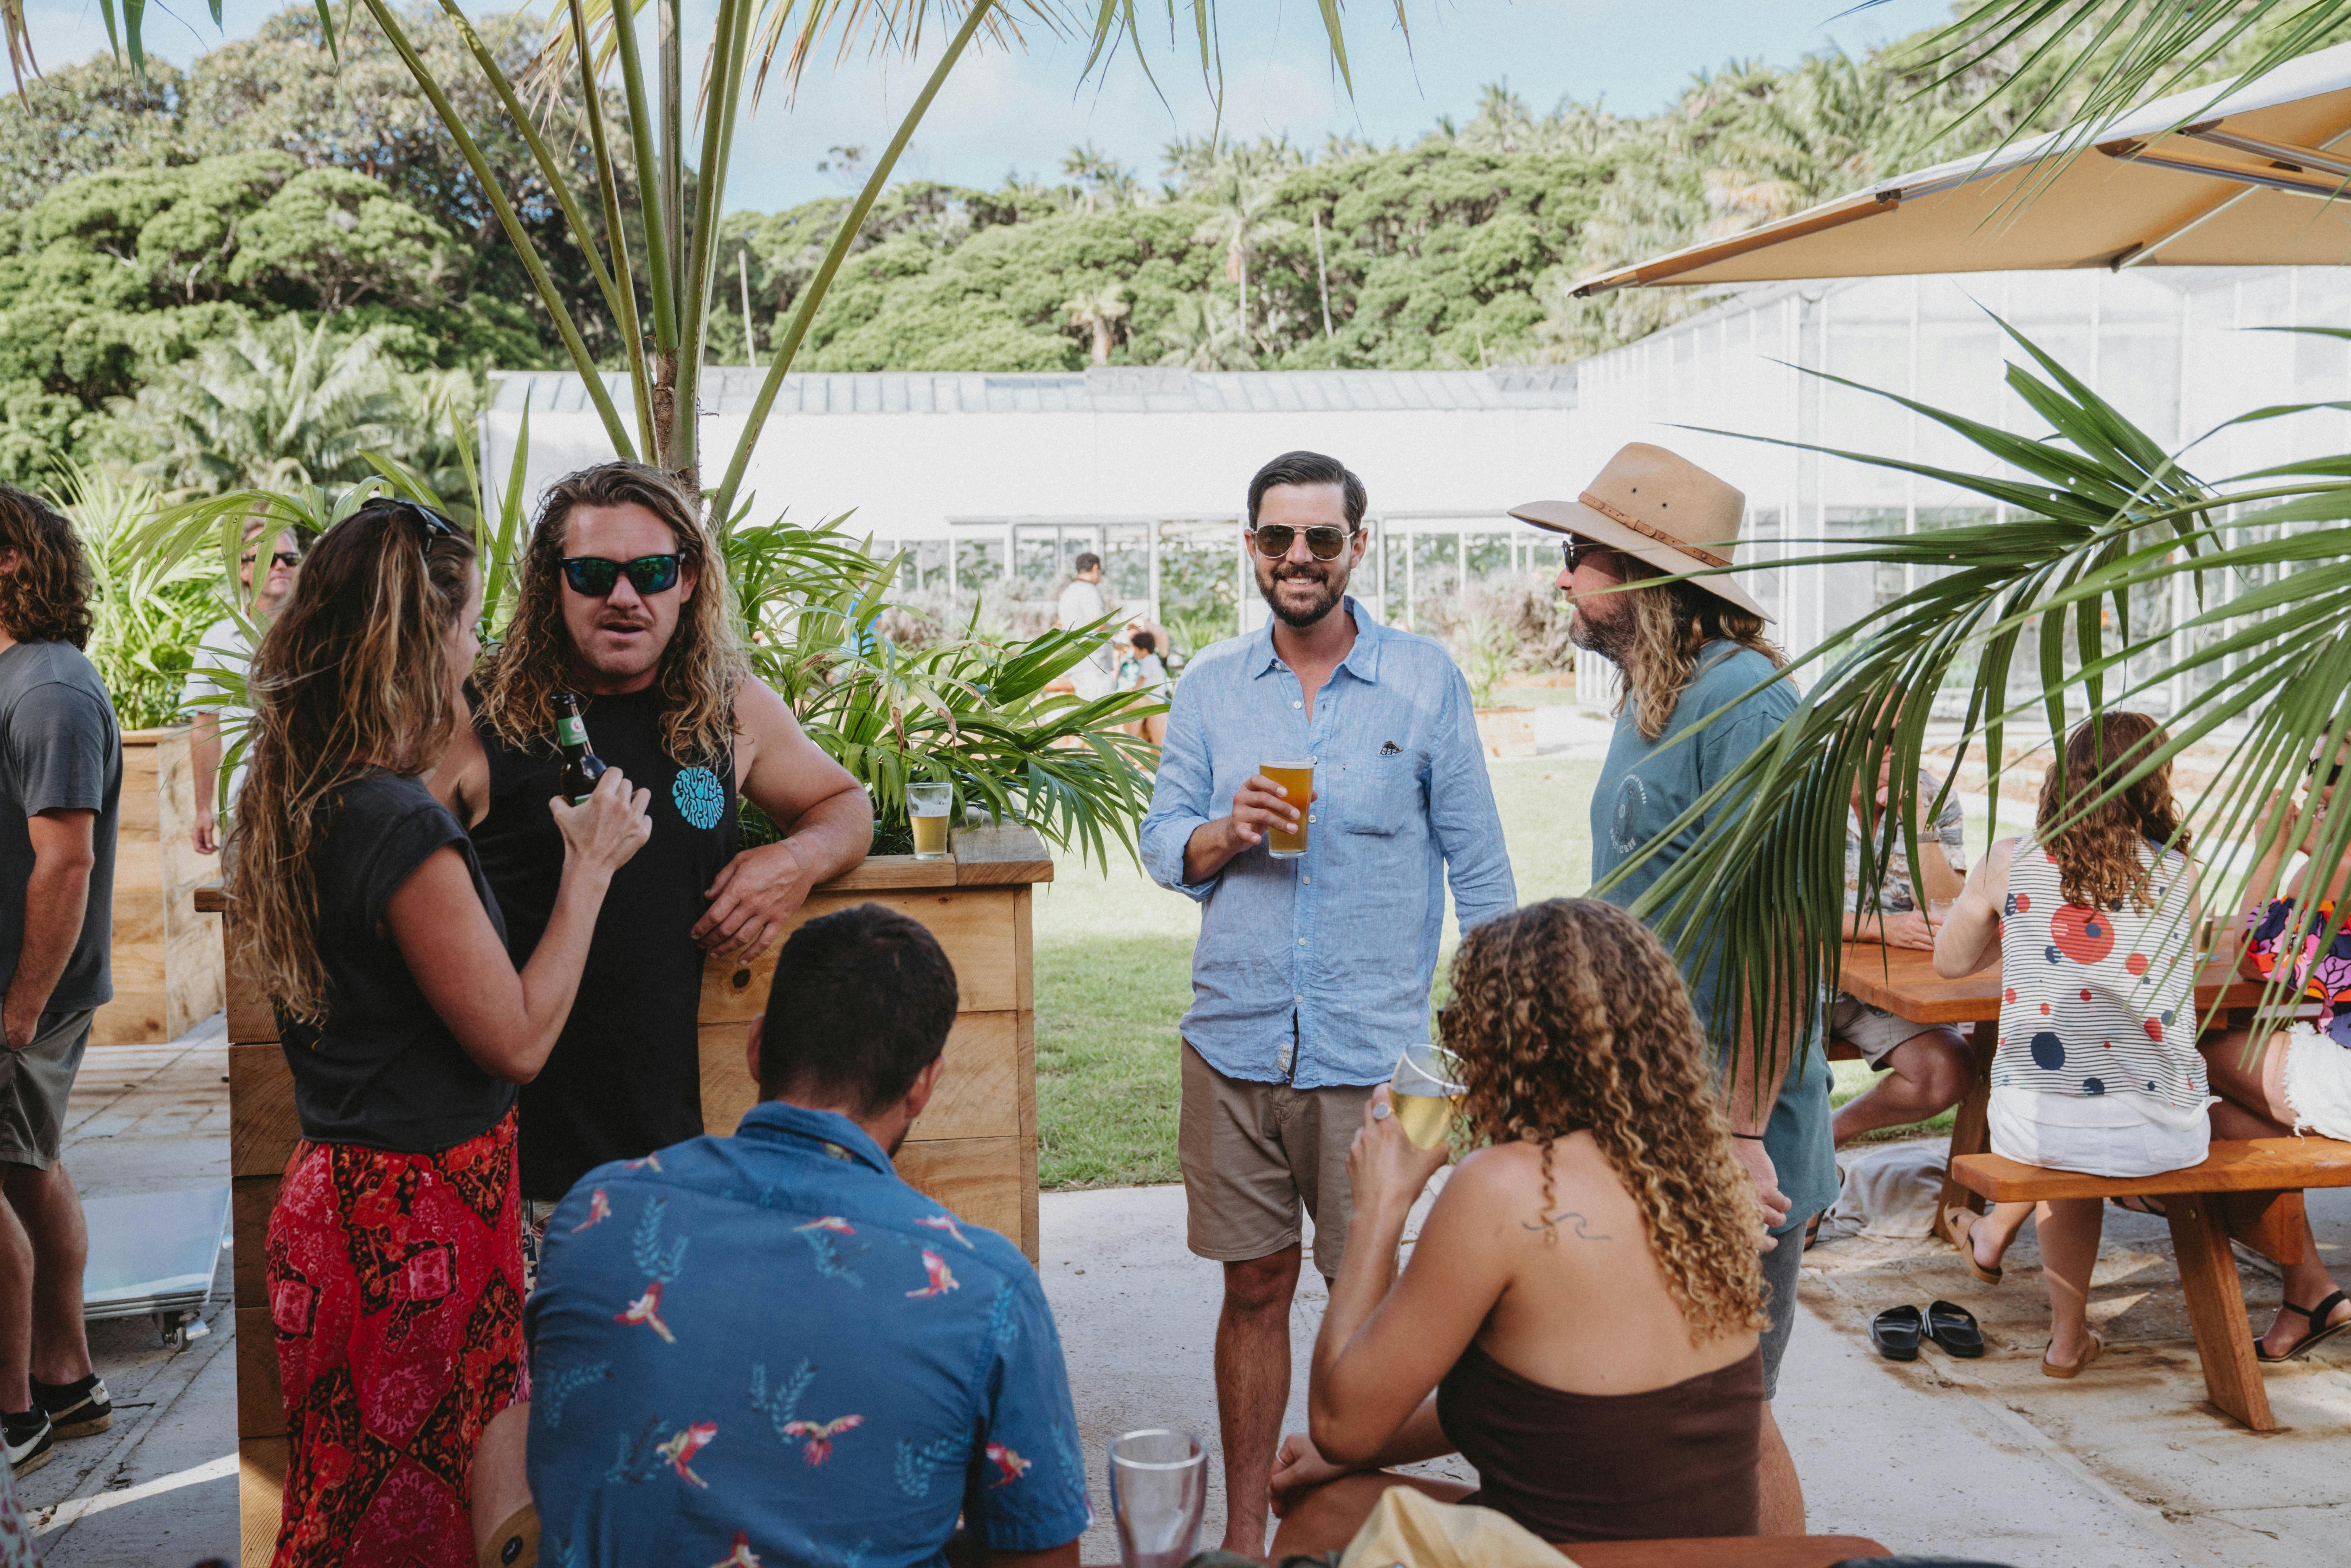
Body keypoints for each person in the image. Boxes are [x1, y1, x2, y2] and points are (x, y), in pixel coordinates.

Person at [239, 501, 652, 1566]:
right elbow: (514, 1041)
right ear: (423, 639)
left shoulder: (305, 788)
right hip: (409, 1227)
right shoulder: (394, 822)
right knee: (401, 1534)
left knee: (363, 1510)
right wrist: (592, 867)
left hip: (357, 1197)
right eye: (467, 626)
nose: (477, 650)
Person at [1140, 449, 1516, 1557]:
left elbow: (1483, 872)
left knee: (1384, 1303)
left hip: (1383, 1056)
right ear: (1248, 546)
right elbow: (1163, 842)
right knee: (1250, 1286)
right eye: (1275, 538)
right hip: (1234, 1039)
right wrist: (1217, 834)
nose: (1296, 558)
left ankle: (1339, 1521)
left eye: (1318, 538)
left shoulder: (1424, 680)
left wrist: (1495, 1046)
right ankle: (1253, 1534)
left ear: (1358, 544)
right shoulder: (1207, 684)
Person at [523, 903, 1092, 1568]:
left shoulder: (592, 1212)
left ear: (758, 1045)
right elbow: (1043, 1554)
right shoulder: (986, 1286)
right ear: (922, 1087)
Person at [1510, 442, 1833, 1533]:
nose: (1561, 578)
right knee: (1671, 1416)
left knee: (1730, 1420)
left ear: (1648, 578)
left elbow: (1788, 941)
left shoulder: (1742, 701)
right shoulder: (1653, 694)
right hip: (1648, 1121)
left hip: (1730, 1140)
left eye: (1579, 555)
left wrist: (1740, 1136)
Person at [438, 462, 872, 1254]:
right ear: (551, 583)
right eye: (594, 574)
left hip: (672, 1164)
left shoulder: (728, 706)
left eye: (653, 572)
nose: (624, 598)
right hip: (504, 1171)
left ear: (690, 581)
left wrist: (796, 862)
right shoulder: (477, 716)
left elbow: (846, 805)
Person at [1267, 899, 1769, 1550]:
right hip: (1707, 1559)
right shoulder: (1695, 1176)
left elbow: (1339, 1422)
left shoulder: (1503, 1190)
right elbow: (1563, 1411)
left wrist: (1379, 1206)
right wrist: (1354, 1453)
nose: (1450, 1040)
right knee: (1338, 1492)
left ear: (1525, 1045)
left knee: (1314, 1522)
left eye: (1460, 1020)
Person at [1932, 711, 2206, 1379]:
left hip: (2037, 1119)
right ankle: (2062, 1335)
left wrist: (1995, 915)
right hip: (2164, 1128)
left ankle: (2062, 1331)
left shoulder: (2012, 859)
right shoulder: (2180, 871)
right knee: (2100, 1105)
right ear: (2156, 784)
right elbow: (2184, 968)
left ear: (2063, 777)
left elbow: (1949, 963)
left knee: (2067, 1126)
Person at [0, 488, 120, 1478]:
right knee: (25, 1165)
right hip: (17, 985)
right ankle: (68, 1378)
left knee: (12, 1170)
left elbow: (67, 861)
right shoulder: (21, 680)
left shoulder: (50, 690)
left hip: (23, 987)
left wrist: (21, 1006)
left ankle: (16, 1411)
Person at [2196, 724, 2351, 1361]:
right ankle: (2308, 1293)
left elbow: (2244, 952)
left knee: (2191, 1055)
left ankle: (2140, 1180)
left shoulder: (2336, 867)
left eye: (2335, 774)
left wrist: (2272, 848)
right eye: (2313, 769)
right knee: (2221, 1118)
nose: (2316, 788)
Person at [1829, 745, 1974, 1152]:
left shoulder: (1932, 795)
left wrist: (1916, 821)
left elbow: (1942, 910)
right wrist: (1883, 929)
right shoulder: (1804, 792)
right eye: (1883, 733)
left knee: (1949, 1071)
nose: (1896, 746)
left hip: (1885, 993)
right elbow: (1777, 913)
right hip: (1800, 983)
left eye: (1906, 728)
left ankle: (1830, 1134)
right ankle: (1796, 1181)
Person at [187, 521, 302, 855]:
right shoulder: (219, 639)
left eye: (290, 558)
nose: (281, 565)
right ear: (244, 571)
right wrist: (203, 808)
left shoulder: (320, 636)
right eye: (268, 557)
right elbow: (205, 724)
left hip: (315, 805)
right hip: (243, 811)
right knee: (242, 907)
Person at [1055, 552, 1115, 701]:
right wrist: (1115, 629)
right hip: (1094, 665)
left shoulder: (1068, 593)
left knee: (1086, 715)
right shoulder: (1089, 590)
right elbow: (1098, 623)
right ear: (1096, 568)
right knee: (1100, 716)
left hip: (1076, 664)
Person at [1119, 627, 1171, 746]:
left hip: (1152, 700)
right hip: (1155, 699)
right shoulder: (1154, 659)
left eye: (1136, 650)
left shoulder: (1148, 660)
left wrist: (1125, 694)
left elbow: (1138, 685)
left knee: (1126, 705)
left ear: (1143, 650)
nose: (1134, 653)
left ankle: (1128, 736)